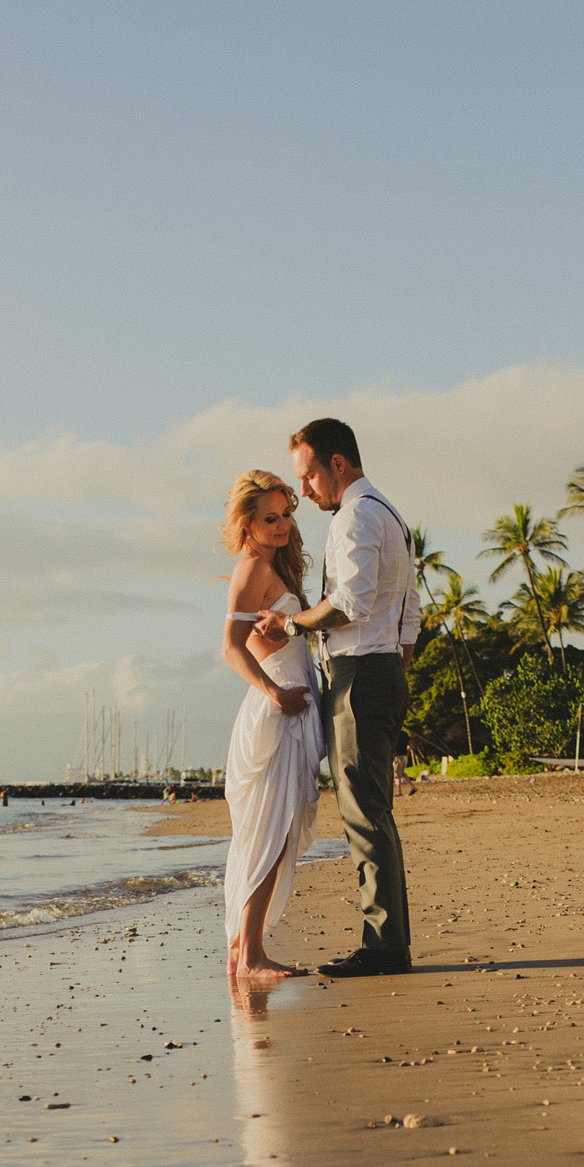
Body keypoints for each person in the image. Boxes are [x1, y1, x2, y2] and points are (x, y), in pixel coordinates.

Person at [253, 418, 418, 978]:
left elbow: (348, 603)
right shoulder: (389, 513)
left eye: (308, 476)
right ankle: (387, 941)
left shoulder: (354, 517)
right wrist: (394, 667)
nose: (304, 491)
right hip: (381, 670)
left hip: (360, 675)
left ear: (337, 464)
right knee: (373, 811)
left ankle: (384, 948)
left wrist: (291, 623)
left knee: (364, 814)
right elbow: (409, 613)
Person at [219, 470, 322, 980]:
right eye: (269, 518)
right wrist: (274, 692)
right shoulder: (250, 569)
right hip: (275, 713)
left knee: (272, 832)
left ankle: (244, 948)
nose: (282, 525)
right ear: (247, 522)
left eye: (285, 515)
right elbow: (230, 648)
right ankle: (251, 954)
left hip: (290, 707)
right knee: (268, 832)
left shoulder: (272, 564)